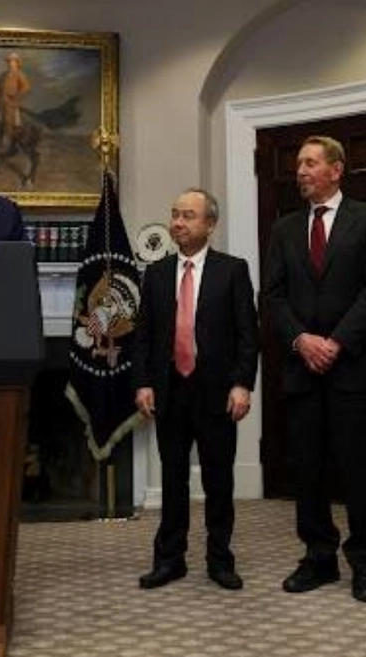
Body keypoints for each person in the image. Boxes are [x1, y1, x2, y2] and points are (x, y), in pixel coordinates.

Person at [262, 135, 366, 603]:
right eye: (298, 164)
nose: (300, 171)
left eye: (310, 163)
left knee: (361, 470)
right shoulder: (284, 229)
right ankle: (319, 557)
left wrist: (336, 342)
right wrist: (302, 340)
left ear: (336, 170)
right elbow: (273, 296)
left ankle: (364, 561)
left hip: (353, 368)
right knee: (308, 470)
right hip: (302, 369)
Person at [132, 188, 259, 591]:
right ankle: (170, 559)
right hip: (170, 389)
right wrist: (143, 383)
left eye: (188, 215)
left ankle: (220, 560)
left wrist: (242, 384)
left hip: (217, 392)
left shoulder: (232, 270)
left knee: (218, 480)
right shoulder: (156, 273)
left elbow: (247, 335)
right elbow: (144, 336)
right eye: (174, 214)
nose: (178, 223)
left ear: (210, 224)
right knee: (173, 479)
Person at [0, 53, 31, 148]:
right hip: (2, 99)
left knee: (9, 118)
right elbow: (0, 86)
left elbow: (26, 87)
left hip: (12, 101)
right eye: (9, 62)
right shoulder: (4, 74)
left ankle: (9, 138)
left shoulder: (19, 74)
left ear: (17, 63)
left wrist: (15, 96)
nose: (11, 64)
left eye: (13, 61)